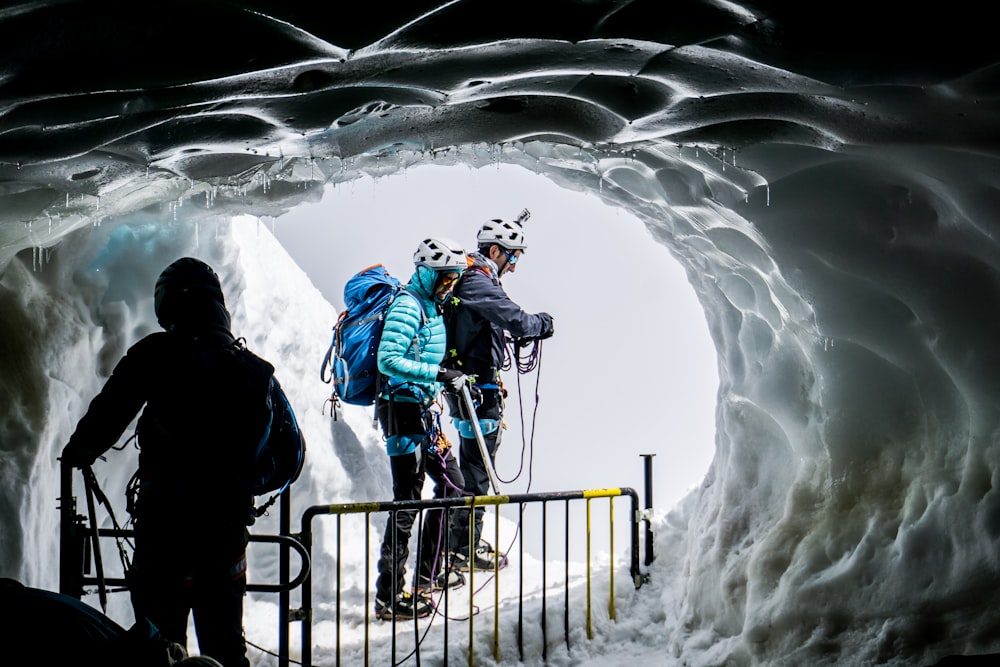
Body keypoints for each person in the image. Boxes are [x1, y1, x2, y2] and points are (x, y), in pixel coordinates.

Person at [60, 257, 258, 667]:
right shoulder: (248, 368)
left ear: (169, 303)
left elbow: (107, 416)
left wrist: (77, 454)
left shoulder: (157, 353)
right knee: (225, 647)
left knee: (159, 651)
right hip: (225, 536)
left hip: (166, 533)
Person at [443, 215, 554, 573]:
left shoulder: (474, 278)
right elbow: (516, 319)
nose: (515, 266)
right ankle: (463, 550)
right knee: (477, 471)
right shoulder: (477, 280)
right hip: (477, 391)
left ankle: (463, 543)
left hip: (472, 389)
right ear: (495, 250)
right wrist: (542, 324)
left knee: (475, 467)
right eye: (515, 257)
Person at [372, 237, 471, 621]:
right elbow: (388, 360)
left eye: (453, 280)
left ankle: (427, 575)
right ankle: (389, 596)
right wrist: (438, 372)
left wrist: (447, 378)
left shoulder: (430, 305)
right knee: (407, 502)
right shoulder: (407, 305)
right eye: (445, 278)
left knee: (453, 483)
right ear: (428, 273)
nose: (450, 286)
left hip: (422, 413)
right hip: (401, 413)